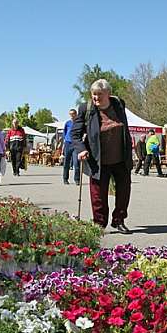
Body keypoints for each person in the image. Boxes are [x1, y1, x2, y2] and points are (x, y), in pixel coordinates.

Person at [71, 79, 134, 234]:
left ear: (109, 94)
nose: (96, 98)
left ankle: (119, 220)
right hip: (98, 160)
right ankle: (99, 223)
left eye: (100, 94)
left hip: (121, 158)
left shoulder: (119, 104)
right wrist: (81, 149)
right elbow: (75, 134)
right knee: (98, 195)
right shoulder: (87, 109)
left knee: (124, 191)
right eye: (94, 94)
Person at [61, 108, 81, 184]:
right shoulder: (67, 123)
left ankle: (77, 179)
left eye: (73, 114)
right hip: (68, 144)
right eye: (70, 114)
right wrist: (63, 144)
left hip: (76, 144)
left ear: (76, 114)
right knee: (66, 162)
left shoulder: (79, 123)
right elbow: (65, 133)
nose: (72, 116)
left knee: (76, 163)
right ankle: (65, 178)